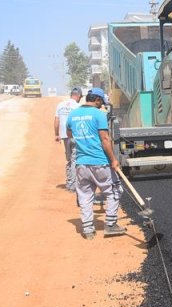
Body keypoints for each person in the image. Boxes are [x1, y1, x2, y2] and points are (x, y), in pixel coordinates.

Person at [66, 87, 126, 240]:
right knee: (114, 191)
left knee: (85, 196)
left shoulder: (72, 115)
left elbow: (69, 135)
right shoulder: (99, 114)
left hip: (81, 163)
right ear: (97, 100)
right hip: (100, 162)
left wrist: (83, 141)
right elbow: (105, 139)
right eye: (101, 102)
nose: (101, 105)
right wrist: (113, 159)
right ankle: (111, 225)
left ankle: (88, 229)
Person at [54, 87, 82, 191]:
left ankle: (69, 182)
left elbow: (56, 120)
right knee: (75, 159)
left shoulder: (60, 105)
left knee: (69, 159)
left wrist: (56, 134)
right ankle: (73, 185)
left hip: (64, 136)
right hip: (75, 136)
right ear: (78, 95)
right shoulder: (78, 106)